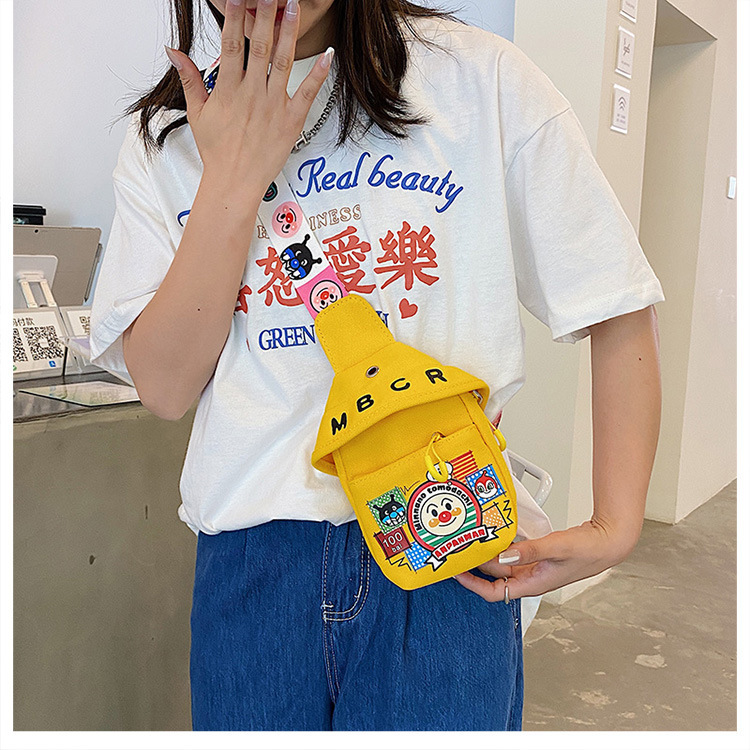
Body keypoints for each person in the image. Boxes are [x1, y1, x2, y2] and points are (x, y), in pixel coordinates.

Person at [88, 0, 664, 732]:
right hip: (256, 566)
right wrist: (232, 179)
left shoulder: (479, 80)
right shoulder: (169, 135)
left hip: (448, 541)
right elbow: (166, 388)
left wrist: (617, 522)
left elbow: (613, 296)